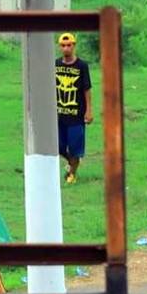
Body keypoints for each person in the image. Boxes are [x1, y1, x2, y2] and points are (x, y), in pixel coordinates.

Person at [55, 33, 94, 184]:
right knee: (58, 146)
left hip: (76, 116)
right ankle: (72, 162)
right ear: (60, 47)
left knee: (75, 148)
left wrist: (89, 110)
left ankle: (72, 174)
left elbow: (87, 89)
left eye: (69, 45)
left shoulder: (82, 66)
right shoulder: (56, 64)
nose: (66, 48)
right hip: (59, 116)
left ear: (74, 45)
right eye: (63, 45)